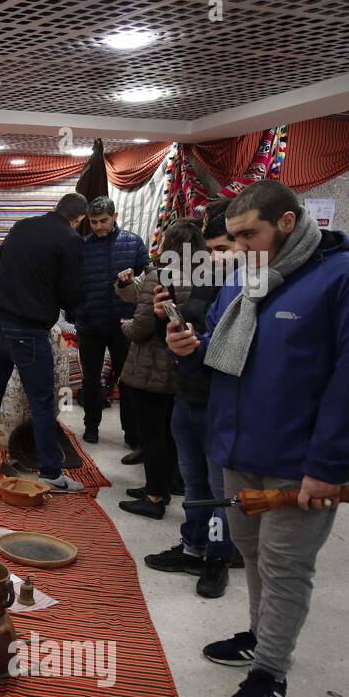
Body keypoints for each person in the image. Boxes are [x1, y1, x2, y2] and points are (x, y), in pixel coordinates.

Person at [166, 180, 349, 697]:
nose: (240, 247)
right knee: (253, 557)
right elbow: (226, 361)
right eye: (234, 238)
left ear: (289, 222)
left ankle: (270, 672)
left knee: (286, 567)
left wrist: (331, 467)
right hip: (236, 448)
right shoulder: (246, 279)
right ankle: (257, 634)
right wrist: (190, 354)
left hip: (300, 464)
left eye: (250, 235)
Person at [144, 199, 241, 597]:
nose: (216, 257)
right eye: (211, 249)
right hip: (189, 394)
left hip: (223, 401)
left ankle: (218, 557)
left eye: (224, 249)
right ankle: (193, 546)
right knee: (195, 481)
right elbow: (197, 334)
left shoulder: (256, 289)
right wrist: (171, 323)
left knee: (219, 489)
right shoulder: (208, 281)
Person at [0, 192, 87, 492]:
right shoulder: (70, 239)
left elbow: (0, 259)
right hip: (27, 329)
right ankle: (50, 472)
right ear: (78, 219)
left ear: (55, 209)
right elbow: (72, 293)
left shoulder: (22, 225)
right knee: (42, 402)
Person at [116, 222, 198, 521]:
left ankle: (153, 497)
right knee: (168, 432)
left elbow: (141, 328)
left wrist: (124, 327)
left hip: (150, 366)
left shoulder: (160, 275)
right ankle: (164, 485)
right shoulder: (205, 277)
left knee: (151, 435)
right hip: (182, 365)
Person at [71, 196, 148, 453]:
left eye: (103, 220)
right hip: (90, 324)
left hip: (123, 325)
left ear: (115, 217)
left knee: (127, 380)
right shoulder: (82, 246)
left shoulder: (133, 242)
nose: (98, 226)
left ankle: (133, 432)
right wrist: (76, 314)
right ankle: (91, 426)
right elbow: (74, 285)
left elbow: (147, 280)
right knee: (91, 379)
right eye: (93, 222)